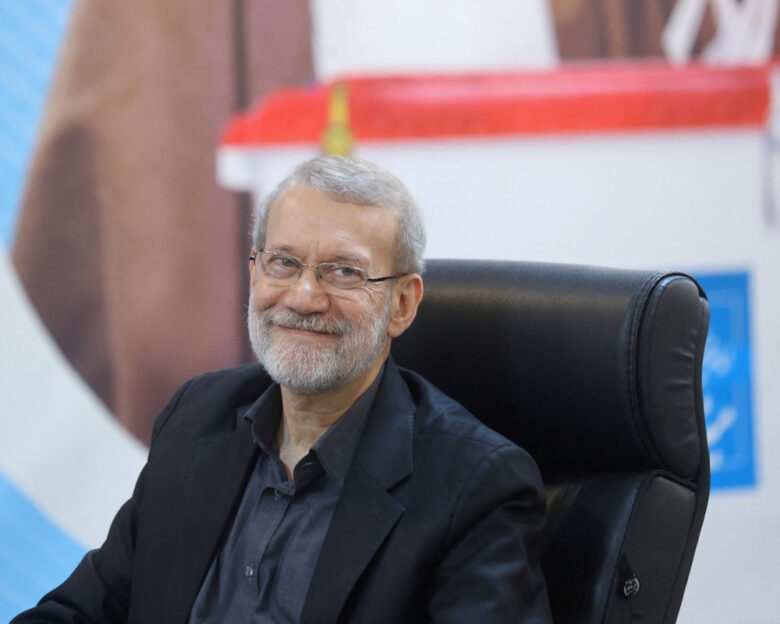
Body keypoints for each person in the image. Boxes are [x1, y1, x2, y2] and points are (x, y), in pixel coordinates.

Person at [13, 156, 552, 623]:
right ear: (255, 271)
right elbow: (86, 608)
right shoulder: (197, 418)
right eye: (284, 262)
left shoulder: (475, 487)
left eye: (343, 272)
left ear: (403, 305)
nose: (303, 296)